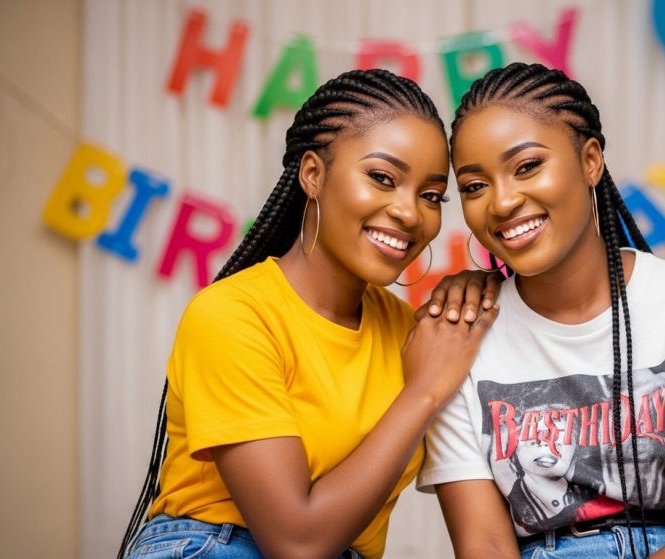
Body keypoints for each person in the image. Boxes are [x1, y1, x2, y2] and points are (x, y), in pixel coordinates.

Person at [118, 68, 501, 559]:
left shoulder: (407, 330)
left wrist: (483, 286)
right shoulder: (233, 315)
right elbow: (296, 542)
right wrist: (422, 393)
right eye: (382, 178)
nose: (410, 213)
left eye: (430, 196)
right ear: (313, 174)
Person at [418, 62, 665, 559]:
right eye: (473, 186)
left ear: (590, 159)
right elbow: (484, 545)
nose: (503, 201)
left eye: (527, 166)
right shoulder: (458, 338)